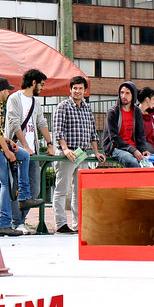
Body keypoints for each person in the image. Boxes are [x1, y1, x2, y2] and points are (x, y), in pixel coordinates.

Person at [52, 75, 105, 234]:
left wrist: (96, 151)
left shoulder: (87, 108)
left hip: (83, 154)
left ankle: (78, 225)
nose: (77, 91)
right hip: (66, 154)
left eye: (80, 88)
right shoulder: (63, 106)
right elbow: (58, 130)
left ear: (85, 91)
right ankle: (61, 224)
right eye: (75, 88)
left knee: (78, 191)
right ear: (70, 89)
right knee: (61, 190)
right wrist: (65, 148)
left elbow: (92, 132)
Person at [0, 77, 35, 237]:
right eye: (7, 90)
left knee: (24, 155)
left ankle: (24, 196)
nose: (8, 93)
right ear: (1, 91)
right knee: (6, 183)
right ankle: (4, 223)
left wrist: (9, 142)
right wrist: (7, 150)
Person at [5, 69, 53, 232]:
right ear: (33, 83)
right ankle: (16, 222)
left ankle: (21, 220)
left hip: (33, 152)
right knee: (17, 187)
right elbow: (14, 122)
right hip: (17, 150)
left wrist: (50, 143)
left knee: (34, 188)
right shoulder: (14, 98)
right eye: (41, 84)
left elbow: (41, 122)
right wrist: (25, 145)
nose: (42, 88)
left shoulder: (35, 102)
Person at [101, 81, 153, 168]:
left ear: (133, 95)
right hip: (116, 147)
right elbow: (114, 137)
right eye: (122, 93)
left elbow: (140, 135)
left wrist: (143, 149)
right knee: (132, 162)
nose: (123, 96)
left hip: (134, 147)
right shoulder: (113, 112)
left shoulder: (137, 111)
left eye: (127, 93)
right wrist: (132, 150)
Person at [137, 87, 154, 166]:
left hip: (151, 153)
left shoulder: (151, 117)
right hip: (140, 152)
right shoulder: (135, 115)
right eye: (153, 99)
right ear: (147, 100)